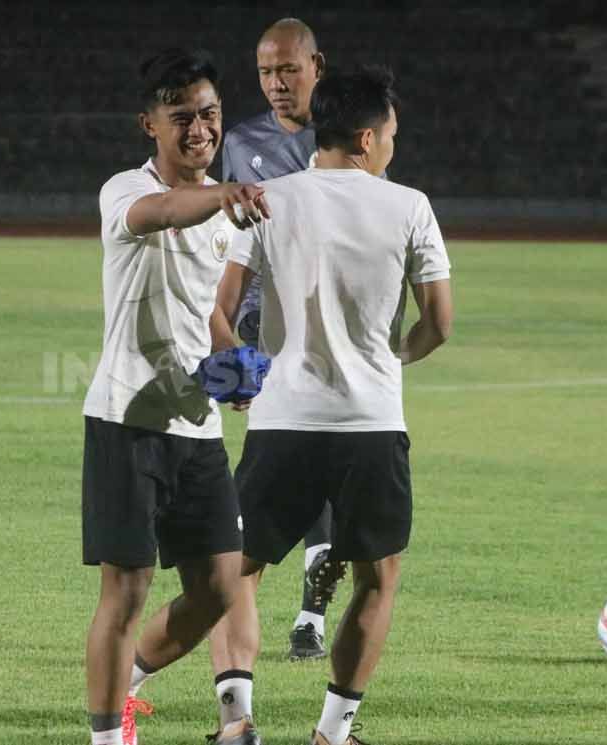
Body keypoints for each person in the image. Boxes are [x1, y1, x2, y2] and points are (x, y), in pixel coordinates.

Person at [210, 66, 453, 745]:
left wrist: (240, 383)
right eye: (393, 137)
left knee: (238, 570)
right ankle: (331, 732)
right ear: (369, 138)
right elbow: (439, 320)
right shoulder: (409, 206)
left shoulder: (266, 198)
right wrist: (393, 356)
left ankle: (236, 720)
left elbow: (221, 314)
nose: (394, 149)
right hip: (371, 423)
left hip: (282, 417)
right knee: (376, 578)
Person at [81, 48, 269, 745]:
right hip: (127, 421)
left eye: (211, 114)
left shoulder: (224, 207)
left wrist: (232, 362)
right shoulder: (123, 190)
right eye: (181, 116)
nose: (199, 128)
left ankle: (128, 675)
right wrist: (221, 196)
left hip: (196, 426)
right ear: (149, 124)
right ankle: (107, 736)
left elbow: (205, 312)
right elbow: (163, 211)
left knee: (221, 585)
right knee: (125, 590)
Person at [215, 16, 339, 664]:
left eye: (288, 69)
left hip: (327, 326)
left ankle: (311, 608)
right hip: (264, 329)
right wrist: (233, 351)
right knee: (277, 462)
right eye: (265, 71)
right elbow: (231, 241)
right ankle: (302, 593)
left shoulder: (345, 134)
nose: (276, 83)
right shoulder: (240, 143)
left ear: (317, 64)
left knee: (311, 455)